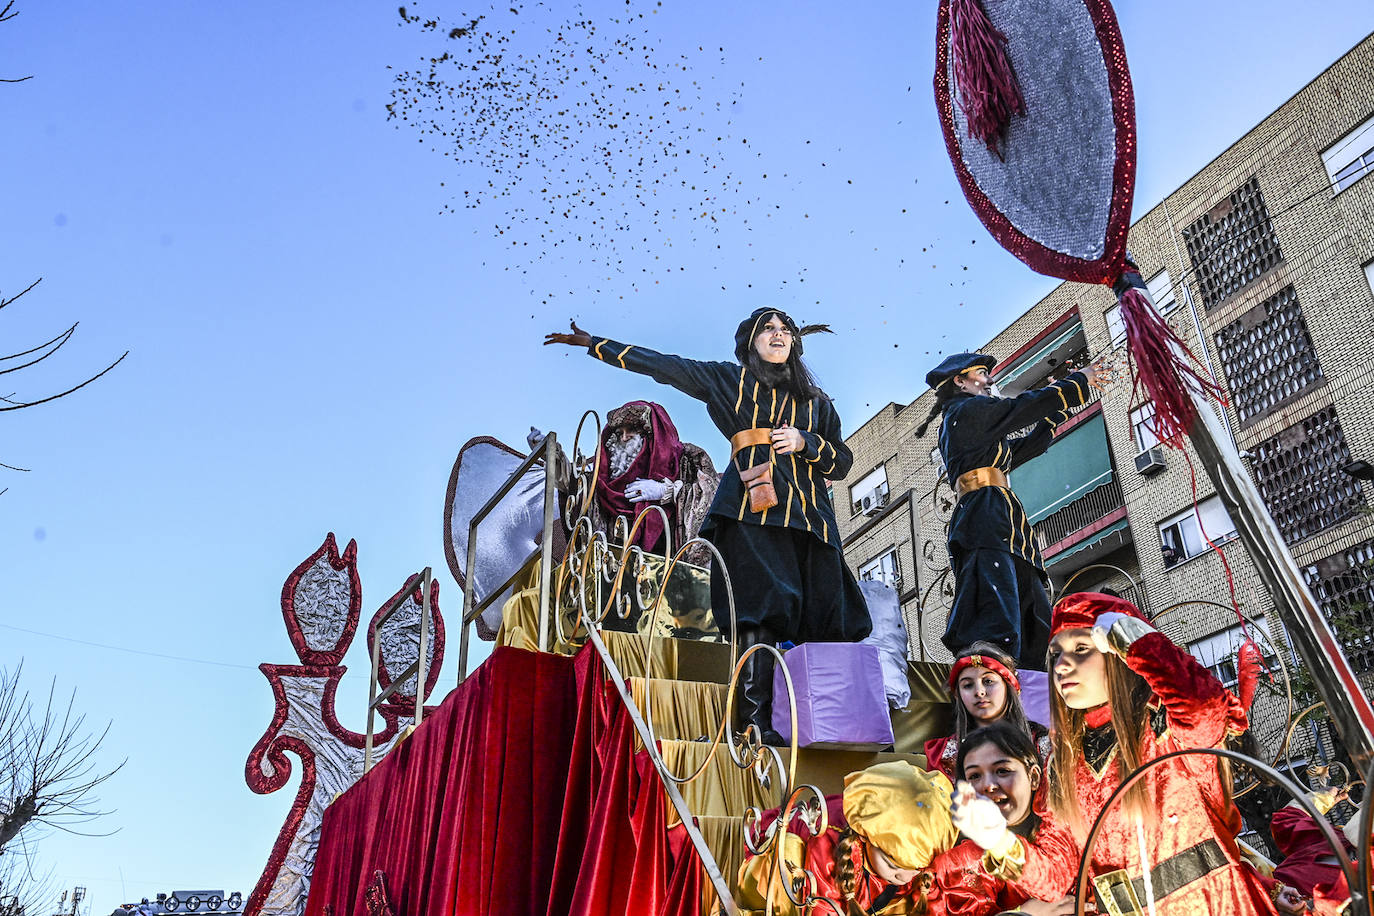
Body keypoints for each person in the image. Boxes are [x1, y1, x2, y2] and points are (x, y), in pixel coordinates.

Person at [545, 310, 870, 743]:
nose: (778, 335)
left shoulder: (818, 403)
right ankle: (753, 723)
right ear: (750, 343)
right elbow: (664, 366)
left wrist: (805, 442)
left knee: (829, 615)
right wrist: (594, 344)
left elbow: (843, 462)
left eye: (784, 330)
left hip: (811, 523)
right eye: (767, 330)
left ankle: (831, 722)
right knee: (761, 611)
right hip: (752, 513)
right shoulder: (729, 382)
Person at [1040, 591, 1279, 915]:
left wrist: (1141, 644)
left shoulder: (1168, 729)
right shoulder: (1061, 765)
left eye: (1081, 648)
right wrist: (998, 844)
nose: (1062, 666)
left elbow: (1203, 705)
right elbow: (1054, 874)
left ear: (1119, 653)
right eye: (1056, 654)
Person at [914, 353, 1101, 668]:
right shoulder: (966, 411)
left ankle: (1036, 686)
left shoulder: (974, 425)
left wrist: (1056, 410)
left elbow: (1027, 447)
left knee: (1034, 620)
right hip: (985, 520)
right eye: (982, 373)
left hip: (1002, 522)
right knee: (998, 619)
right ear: (959, 381)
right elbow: (1018, 409)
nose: (990, 380)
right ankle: (998, 681)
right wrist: (1077, 383)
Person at [737, 761, 959, 915]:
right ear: (865, 836)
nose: (903, 876)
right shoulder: (829, 839)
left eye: (915, 870)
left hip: (862, 889)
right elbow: (821, 905)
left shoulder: (917, 861)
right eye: (892, 864)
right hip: (793, 884)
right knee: (789, 851)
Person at [941, 722, 1078, 916]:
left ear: (1034, 778)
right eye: (974, 776)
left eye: (1002, 771)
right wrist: (1024, 913)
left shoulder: (1068, 826)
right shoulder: (961, 863)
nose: (988, 785)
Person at [923, 642, 1049, 782]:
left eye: (988, 681)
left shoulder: (1044, 745)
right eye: (968, 685)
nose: (979, 692)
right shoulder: (944, 754)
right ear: (958, 696)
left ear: (1010, 687)